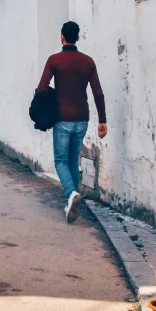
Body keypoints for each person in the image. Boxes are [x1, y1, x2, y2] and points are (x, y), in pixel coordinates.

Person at [36, 20, 107, 224]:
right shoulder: (88, 61)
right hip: (82, 119)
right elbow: (98, 92)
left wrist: (45, 107)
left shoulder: (55, 60)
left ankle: (70, 194)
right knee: (72, 160)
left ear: (62, 37)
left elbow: (42, 88)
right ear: (78, 37)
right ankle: (72, 202)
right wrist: (102, 120)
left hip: (62, 119)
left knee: (60, 161)